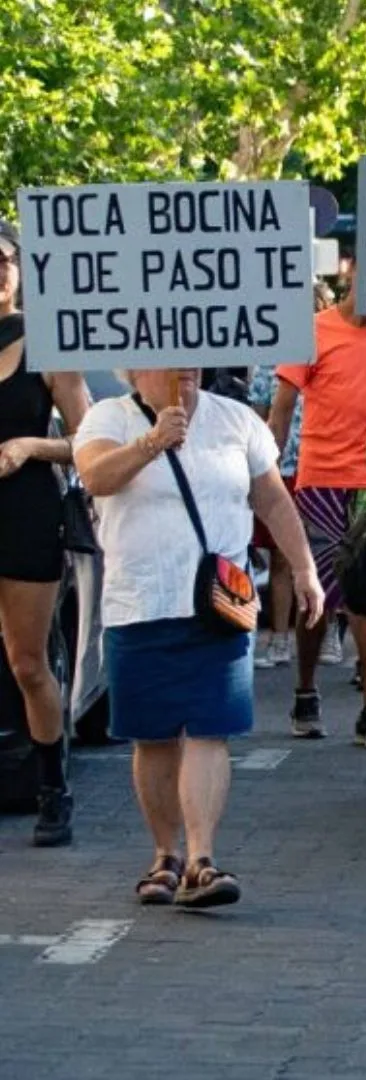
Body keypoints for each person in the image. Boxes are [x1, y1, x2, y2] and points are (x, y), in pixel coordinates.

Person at [74, 367, 323, 908]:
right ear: (137, 366)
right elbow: (95, 477)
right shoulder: (107, 416)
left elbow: (273, 500)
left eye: (194, 354)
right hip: (140, 602)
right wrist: (152, 441)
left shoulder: (235, 420)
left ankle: (202, 859)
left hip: (219, 605)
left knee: (212, 729)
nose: (185, 366)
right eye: (169, 355)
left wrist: (304, 569)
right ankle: (166, 855)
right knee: (154, 736)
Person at [269, 246, 366, 744]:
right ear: (353, 275)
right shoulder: (311, 330)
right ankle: (306, 690)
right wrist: (265, 466)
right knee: (317, 595)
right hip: (320, 481)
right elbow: (283, 405)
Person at [0, 219, 92, 846]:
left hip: (26, 514)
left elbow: (90, 443)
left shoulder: (48, 344)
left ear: (19, 271)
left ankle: (53, 791)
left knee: (28, 663)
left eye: (2, 261)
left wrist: (32, 445)